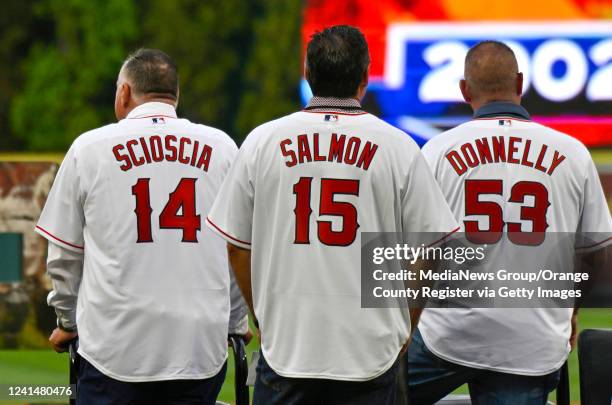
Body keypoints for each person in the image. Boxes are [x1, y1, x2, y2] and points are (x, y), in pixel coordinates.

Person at [206, 25, 458, 405]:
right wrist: (407, 320)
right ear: (365, 78)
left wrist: (261, 313)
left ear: (308, 73)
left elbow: (237, 247)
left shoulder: (262, 140)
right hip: (369, 352)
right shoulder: (398, 146)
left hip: (289, 348)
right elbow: (432, 250)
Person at [36, 48, 250, 405]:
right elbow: (236, 248)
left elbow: (64, 255)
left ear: (124, 93)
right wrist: (235, 323)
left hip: (114, 349)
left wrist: (67, 322)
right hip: (197, 350)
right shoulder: (223, 148)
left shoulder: (90, 148)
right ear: (175, 96)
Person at [408, 41, 612, 404]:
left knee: (373, 386)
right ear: (520, 83)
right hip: (530, 344)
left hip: (449, 337)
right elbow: (597, 255)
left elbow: (419, 254)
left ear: (464, 90)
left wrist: (406, 323)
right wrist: (570, 310)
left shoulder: (436, 150)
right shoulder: (573, 152)